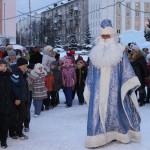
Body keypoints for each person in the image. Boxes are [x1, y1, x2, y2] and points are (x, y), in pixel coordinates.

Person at [84, 19, 141, 148]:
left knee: (116, 111)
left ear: (112, 36)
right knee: (96, 113)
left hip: (115, 89)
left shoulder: (120, 51)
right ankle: (96, 138)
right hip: (97, 90)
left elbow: (126, 69)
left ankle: (118, 134)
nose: (105, 38)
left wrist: (129, 83)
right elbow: (91, 72)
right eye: (103, 35)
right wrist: (89, 86)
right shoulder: (94, 52)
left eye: (107, 35)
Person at [10, 57, 29, 139]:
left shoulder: (20, 72)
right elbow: (15, 87)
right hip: (15, 99)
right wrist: (18, 98)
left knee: (22, 114)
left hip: (21, 98)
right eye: (24, 66)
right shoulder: (15, 73)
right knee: (14, 116)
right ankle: (12, 133)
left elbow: (22, 85)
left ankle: (18, 132)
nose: (25, 67)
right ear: (20, 65)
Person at [0, 59, 14, 148]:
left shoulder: (9, 76)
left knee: (4, 124)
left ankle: (3, 141)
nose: (3, 68)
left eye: (5, 66)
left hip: (5, 104)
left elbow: (11, 90)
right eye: (1, 66)